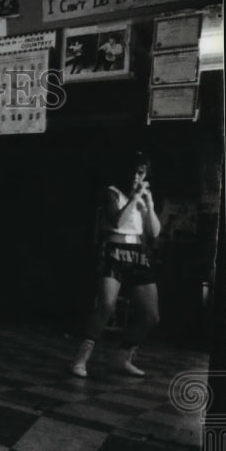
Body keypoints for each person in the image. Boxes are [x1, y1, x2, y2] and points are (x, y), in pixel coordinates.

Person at [72, 151, 162, 378]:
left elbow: (154, 232)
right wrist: (133, 198)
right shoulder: (111, 192)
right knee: (107, 305)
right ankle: (81, 359)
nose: (135, 176)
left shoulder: (143, 197)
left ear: (145, 174)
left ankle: (122, 358)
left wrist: (149, 204)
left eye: (140, 172)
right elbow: (117, 221)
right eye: (132, 171)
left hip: (138, 254)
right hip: (113, 250)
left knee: (151, 316)